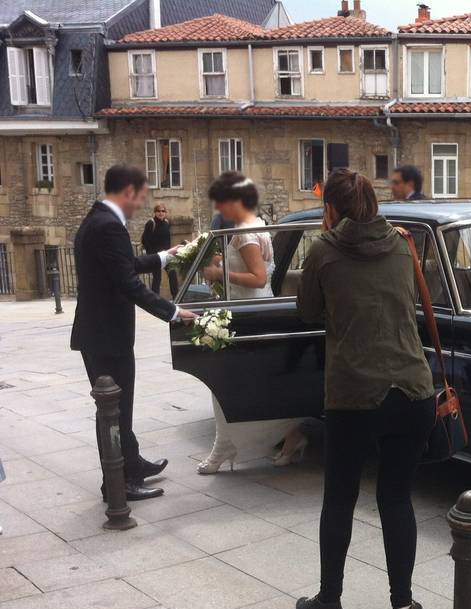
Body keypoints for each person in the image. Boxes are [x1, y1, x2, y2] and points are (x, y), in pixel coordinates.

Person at [295, 168, 434, 609]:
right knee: (396, 498)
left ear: (330, 210)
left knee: (339, 497)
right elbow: (411, 302)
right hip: (413, 391)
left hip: (353, 393)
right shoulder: (401, 243)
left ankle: (330, 600)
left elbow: (307, 310)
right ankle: (403, 606)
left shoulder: (324, 251)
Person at [70, 164, 197, 501]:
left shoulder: (97, 219)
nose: (141, 204)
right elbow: (127, 284)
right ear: (128, 191)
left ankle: (131, 463)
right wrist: (172, 312)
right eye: (141, 196)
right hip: (107, 337)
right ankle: (117, 485)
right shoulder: (109, 226)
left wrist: (164, 258)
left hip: (99, 333)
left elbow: (123, 265)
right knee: (114, 409)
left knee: (117, 407)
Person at [196, 172, 306, 473]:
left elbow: (257, 277)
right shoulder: (258, 225)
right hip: (259, 308)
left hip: (248, 312)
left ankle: (223, 450)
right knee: (258, 385)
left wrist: (220, 274)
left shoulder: (244, 233)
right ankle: (292, 436)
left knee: (226, 383)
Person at [141, 204, 180, 297]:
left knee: (172, 273)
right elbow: (145, 241)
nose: (161, 213)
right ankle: (155, 300)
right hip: (155, 255)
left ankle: (177, 298)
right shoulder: (151, 223)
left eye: (163, 211)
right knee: (157, 278)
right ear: (155, 212)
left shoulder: (166, 223)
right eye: (158, 211)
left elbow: (167, 239)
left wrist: (170, 252)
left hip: (166, 254)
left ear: (165, 213)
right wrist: (152, 255)